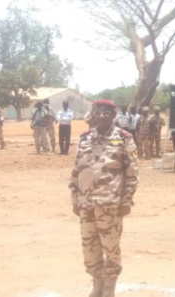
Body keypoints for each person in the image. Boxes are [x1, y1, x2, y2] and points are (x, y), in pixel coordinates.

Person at [69, 99, 138, 297]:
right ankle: (97, 284)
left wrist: (126, 201)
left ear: (113, 115)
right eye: (98, 112)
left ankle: (109, 288)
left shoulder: (124, 138)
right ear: (93, 113)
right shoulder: (84, 138)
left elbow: (132, 172)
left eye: (106, 112)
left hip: (110, 205)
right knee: (89, 247)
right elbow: (76, 170)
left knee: (111, 247)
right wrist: (75, 198)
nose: (102, 115)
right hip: (86, 204)